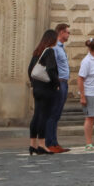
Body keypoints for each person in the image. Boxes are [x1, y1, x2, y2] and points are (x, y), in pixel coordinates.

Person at [28, 28, 60, 156]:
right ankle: (41, 144)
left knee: (36, 115)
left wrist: (33, 83)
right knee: (44, 116)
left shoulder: (37, 52)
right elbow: (51, 69)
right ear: (52, 39)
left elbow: (30, 69)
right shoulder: (50, 51)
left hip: (37, 88)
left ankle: (32, 144)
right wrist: (56, 84)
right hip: (47, 89)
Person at [43, 23, 72, 153]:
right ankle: (50, 143)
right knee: (53, 114)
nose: (68, 34)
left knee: (57, 114)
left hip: (63, 82)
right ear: (61, 32)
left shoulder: (61, 47)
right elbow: (51, 67)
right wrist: (56, 83)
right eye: (67, 32)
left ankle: (54, 142)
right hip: (59, 82)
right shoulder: (54, 48)